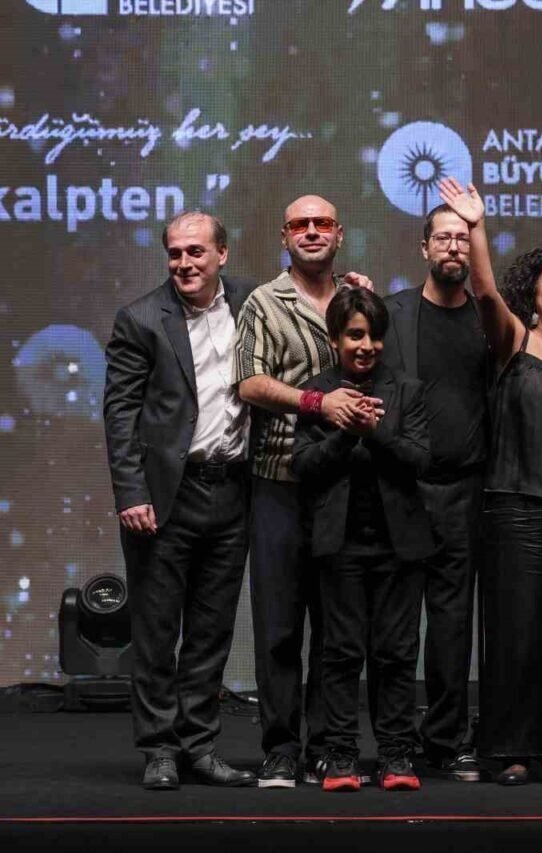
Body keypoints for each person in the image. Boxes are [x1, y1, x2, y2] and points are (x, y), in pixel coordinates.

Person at [433, 177, 542, 786]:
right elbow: (484, 292)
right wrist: (477, 226)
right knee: (516, 634)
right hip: (516, 508)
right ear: (533, 292)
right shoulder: (514, 340)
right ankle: (512, 749)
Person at [103, 211, 257, 790]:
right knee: (157, 630)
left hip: (233, 490)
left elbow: (309, 297)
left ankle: (199, 747)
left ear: (222, 254)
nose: (184, 263)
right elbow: (120, 412)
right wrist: (131, 492)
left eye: (196, 252)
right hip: (167, 496)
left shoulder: (252, 301)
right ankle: (159, 750)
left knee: (211, 632)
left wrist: (350, 286)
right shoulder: (141, 318)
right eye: (175, 253)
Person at [235, 195, 378, 788]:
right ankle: (280, 748)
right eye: (300, 224)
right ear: (284, 236)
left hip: (343, 486)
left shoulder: (354, 297)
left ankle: (327, 744)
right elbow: (249, 383)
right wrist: (317, 401)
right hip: (280, 482)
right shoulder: (264, 302)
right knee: (279, 627)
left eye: (322, 224)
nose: (311, 231)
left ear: (339, 235)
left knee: (337, 630)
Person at [292, 288, 434, 793]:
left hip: (399, 546)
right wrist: (344, 431)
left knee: (396, 653)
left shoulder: (407, 390)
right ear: (335, 339)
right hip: (340, 545)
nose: (366, 346)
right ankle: (341, 756)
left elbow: (421, 459)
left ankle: (396, 755)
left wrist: (375, 432)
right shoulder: (317, 392)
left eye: (374, 336)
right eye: (355, 335)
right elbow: (303, 465)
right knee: (341, 653)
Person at [379, 201, 490, 782]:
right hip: (400, 489)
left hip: (464, 491)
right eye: (442, 238)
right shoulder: (390, 313)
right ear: (424, 248)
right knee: (394, 629)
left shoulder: (488, 319)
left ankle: (446, 739)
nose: (452, 246)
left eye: (462, 238)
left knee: (451, 627)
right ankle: (393, 742)